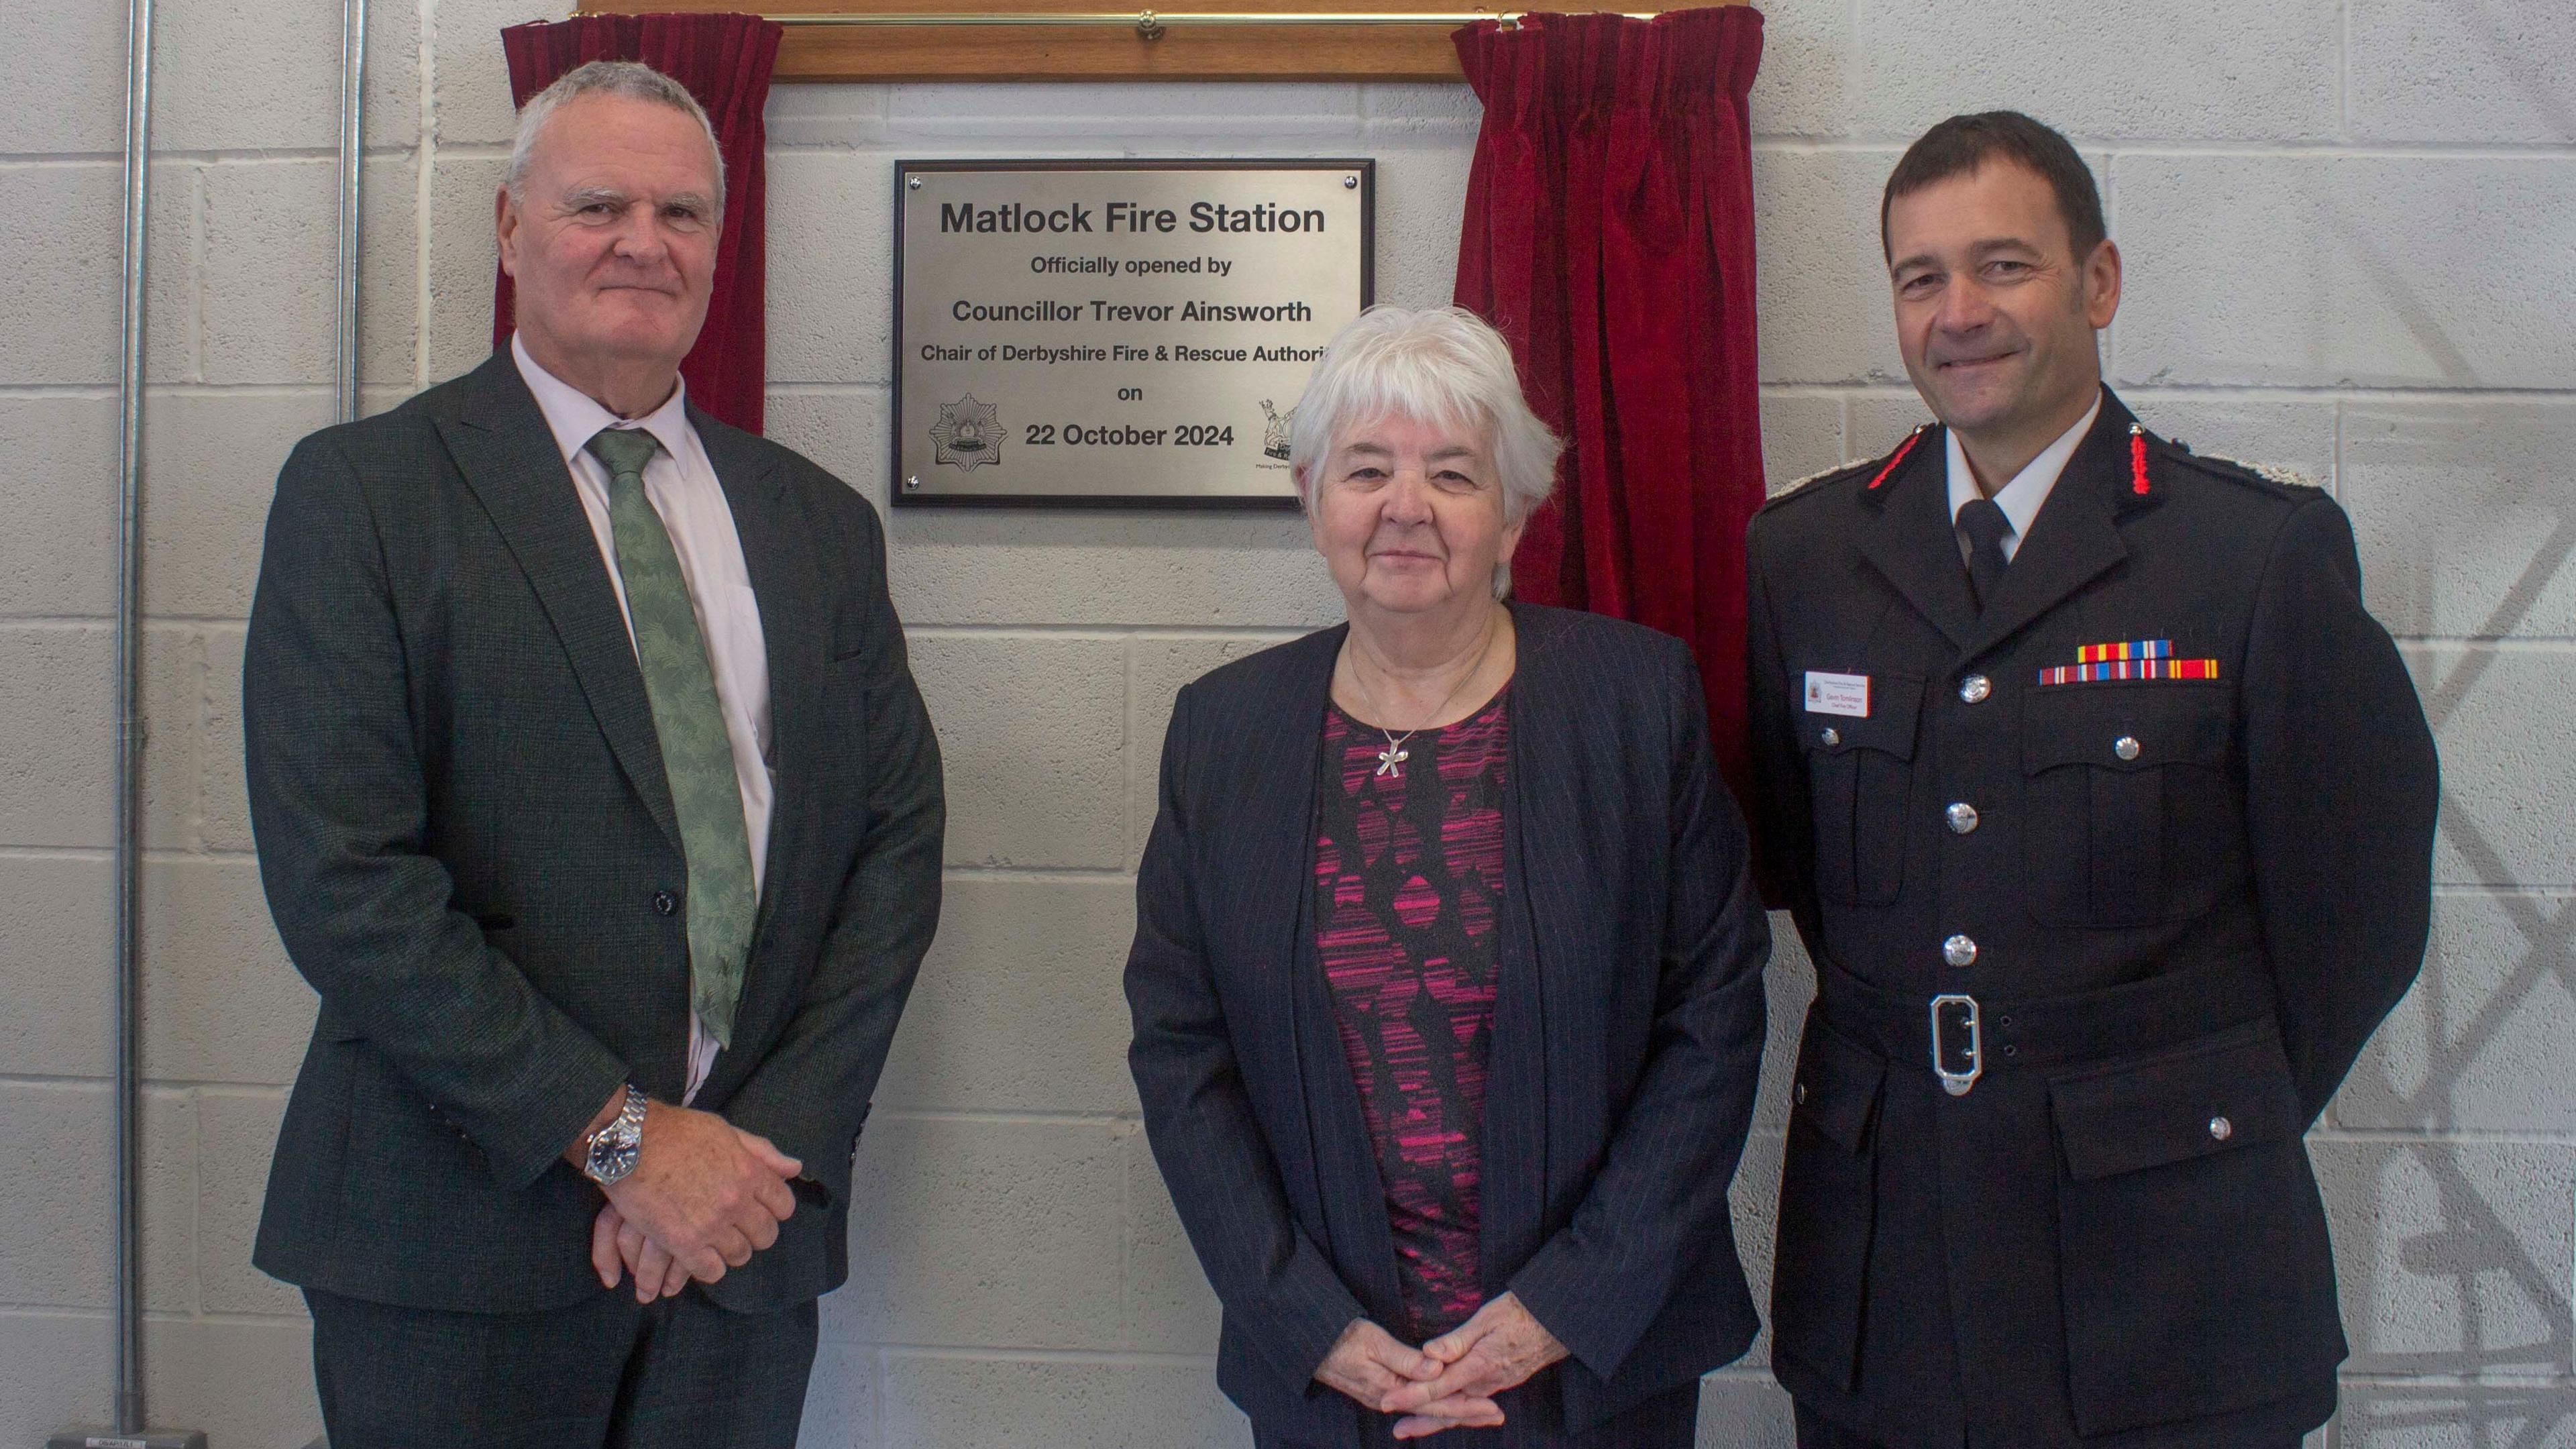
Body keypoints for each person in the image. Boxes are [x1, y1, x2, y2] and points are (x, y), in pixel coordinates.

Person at [241, 60, 943, 1446]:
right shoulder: (365, 495)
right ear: (511, 232)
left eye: (682, 212)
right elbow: (347, 881)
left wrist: (748, 1169)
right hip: (455, 1245)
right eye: (598, 204)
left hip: (741, 1243)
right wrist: (626, 1144)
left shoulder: (815, 522)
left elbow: (889, 857)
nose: (644, 241)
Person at [1745, 111, 2438, 1449]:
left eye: (2005, 266)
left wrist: (2182, 1114)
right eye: (1921, 277)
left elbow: (2358, 920)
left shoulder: (2252, 557)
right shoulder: (1808, 557)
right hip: (1893, 1277)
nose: (1961, 313)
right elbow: (1824, 892)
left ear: (2100, 282)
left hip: (2172, 1277)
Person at [1126, 305, 1772, 1448]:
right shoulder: (1221, 733)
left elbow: (1712, 1022)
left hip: (1592, 1369)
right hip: (1333, 1377)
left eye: (1454, 474)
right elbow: (1183, 1049)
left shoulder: (1635, 704)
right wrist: (1307, 1321)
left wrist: (1558, 1310)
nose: (1405, 508)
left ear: (1517, 513)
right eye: (1366, 469)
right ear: (1313, 497)